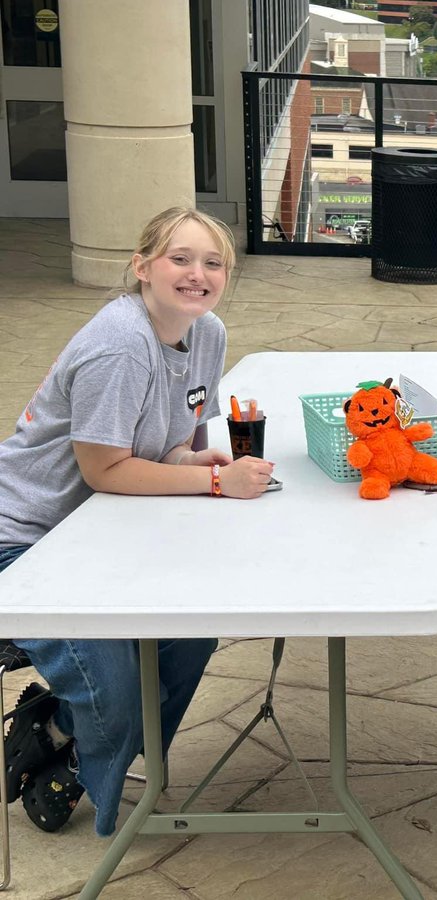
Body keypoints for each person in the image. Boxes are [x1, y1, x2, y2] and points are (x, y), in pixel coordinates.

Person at [1, 207, 276, 836]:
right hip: (25, 540)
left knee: (191, 632)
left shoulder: (207, 333)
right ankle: (74, 739)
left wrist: (189, 456)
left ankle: (63, 734)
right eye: (180, 258)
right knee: (117, 697)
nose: (197, 274)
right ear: (143, 266)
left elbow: (157, 443)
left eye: (213, 263)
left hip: (102, 528)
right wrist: (213, 480)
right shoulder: (120, 346)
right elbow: (106, 470)